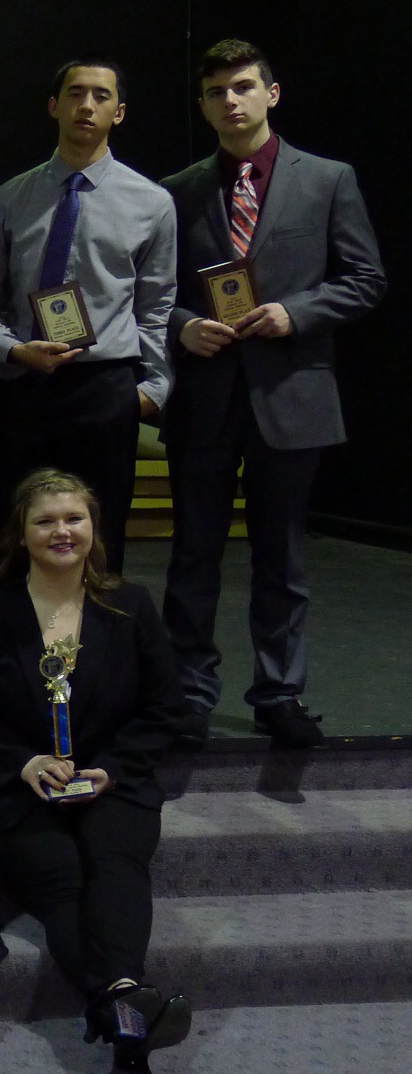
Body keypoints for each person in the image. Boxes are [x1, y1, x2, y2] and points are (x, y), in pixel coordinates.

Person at [160, 39, 386, 748]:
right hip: (204, 396)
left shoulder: (328, 180)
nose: (231, 101)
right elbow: (152, 293)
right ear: (202, 105)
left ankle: (279, 692)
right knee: (194, 554)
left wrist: (298, 313)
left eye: (244, 87)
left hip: (291, 393)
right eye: (217, 92)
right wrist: (183, 325)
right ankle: (190, 692)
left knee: (281, 558)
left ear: (272, 94)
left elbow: (366, 278)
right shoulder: (177, 190)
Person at [0, 469, 192, 1074]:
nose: (62, 531)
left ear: (94, 528)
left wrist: (110, 768)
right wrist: (21, 762)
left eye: (73, 519)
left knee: (114, 864)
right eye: (45, 521)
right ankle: (126, 1003)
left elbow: (167, 709)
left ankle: (117, 999)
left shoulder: (130, 606)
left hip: (115, 778)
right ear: (20, 534)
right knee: (62, 879)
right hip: (14, 785)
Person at [0, 58, 176, 572]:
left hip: (104, 389)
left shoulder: (152, 204)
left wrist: (152, 390)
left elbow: (157, 307)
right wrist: (12, 349)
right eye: (75, 93)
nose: (87, 105)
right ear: (53, 106)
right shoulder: (7, 199)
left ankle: (95, 649)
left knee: (101, 541)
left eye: (101, 96)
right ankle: (18, 647)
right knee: (16, 532)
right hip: (24, 385)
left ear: (120, 112)